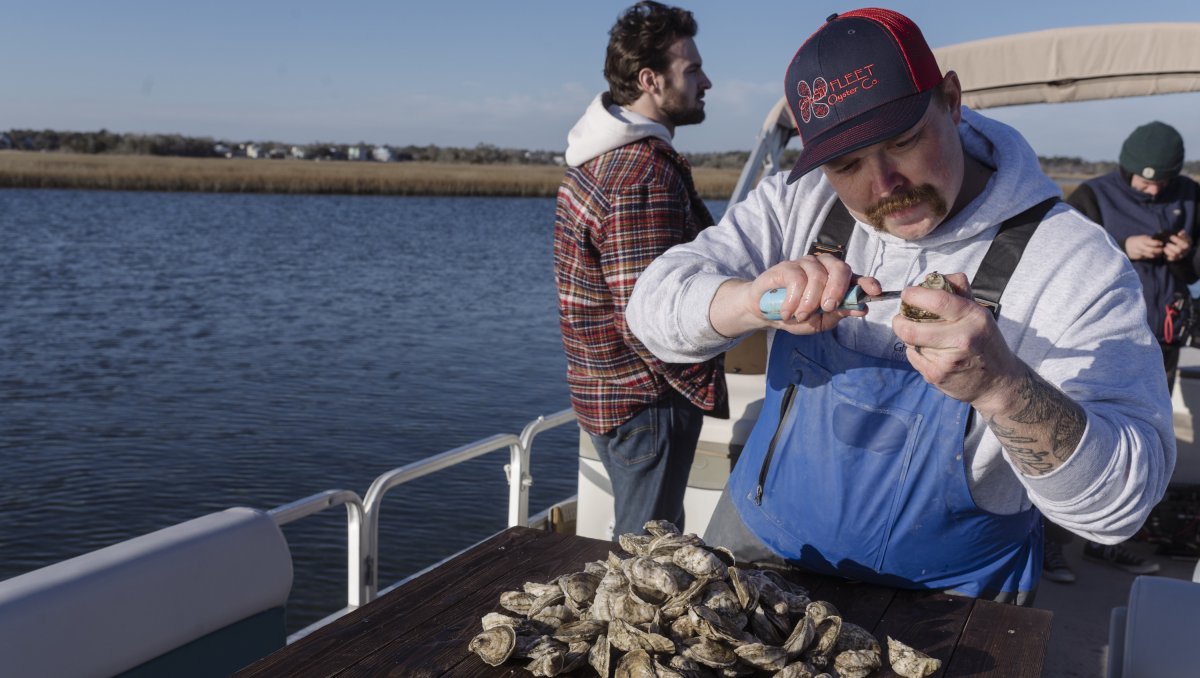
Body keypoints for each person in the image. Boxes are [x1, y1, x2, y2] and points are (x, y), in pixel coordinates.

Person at [626, 7, 1175, 605]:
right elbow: (650, 310)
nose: (884, 185)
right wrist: (751, 302)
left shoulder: (1072, 260)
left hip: (953, 593)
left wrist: (1003, 388)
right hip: (764, 547)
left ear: (952, 100)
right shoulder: (799, 201)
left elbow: (1122, 506)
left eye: (904, 141)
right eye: (846, 164)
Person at [553, 1, 728, 539]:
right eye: (692, 69)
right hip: (646, 404)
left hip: (609, 395)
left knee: (640, 548)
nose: (707, 81)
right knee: (646, 560)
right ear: (651, 80)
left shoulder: (599, 158)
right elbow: (646, 316)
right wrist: (704, 382)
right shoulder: (641, 175)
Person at [1042, 122, 1200, 582]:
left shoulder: (1191, 196)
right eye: (1143, 179)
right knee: (1072, 441)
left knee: (1138, 448)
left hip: (1160, 345)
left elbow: (1195, 270)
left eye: (1160, 182)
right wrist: (1121, 247)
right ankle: (1052, 546)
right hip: (1098, 346)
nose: (1151, 188)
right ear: (1125, 167)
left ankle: (1109, 544)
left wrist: (1187, 255)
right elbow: (1061, 261)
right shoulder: (1091, 196)